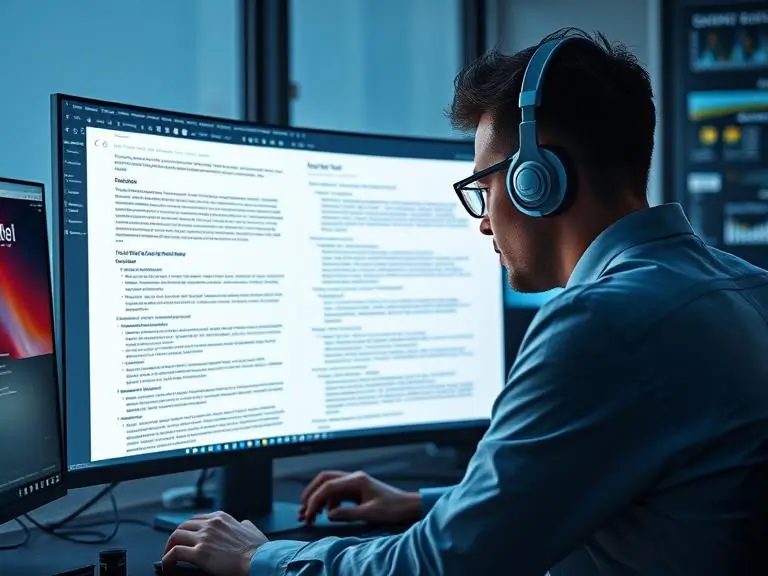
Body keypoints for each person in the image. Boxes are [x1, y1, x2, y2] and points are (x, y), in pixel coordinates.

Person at [161, 27, 768, 575]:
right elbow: (605, 477)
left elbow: (441, 567)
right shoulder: (743, 286)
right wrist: (426, 502)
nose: (481, 223)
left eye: (482, 185)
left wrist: (257, 557)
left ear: (538, 179)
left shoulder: (600, 324)